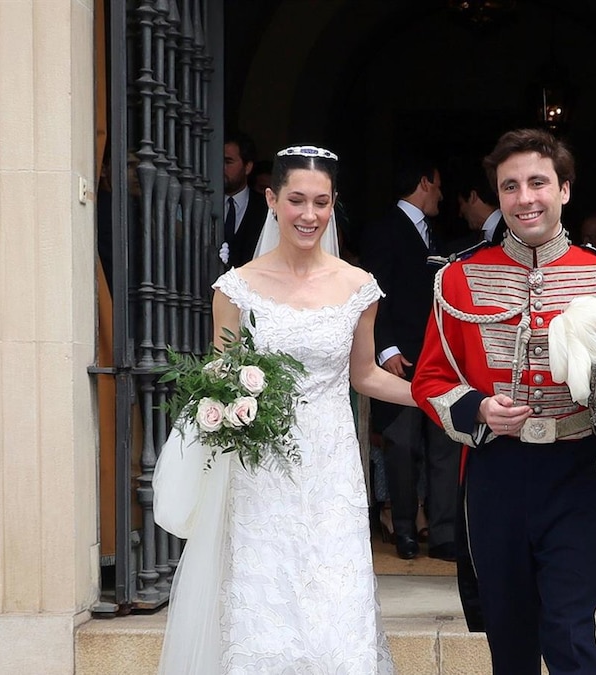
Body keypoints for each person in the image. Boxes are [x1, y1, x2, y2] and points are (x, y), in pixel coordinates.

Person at [412, 129, 596, 675]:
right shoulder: (458, 279)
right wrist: (481, 410)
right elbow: (431, 379)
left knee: (574, 637)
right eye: (509, 186)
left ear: (564, 189)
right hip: (495, 474)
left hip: (576, 473)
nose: (524, 197)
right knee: (509, 643)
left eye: (537, 182)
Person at [157, 145, 412, 674]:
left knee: (332, 602)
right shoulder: (236, 288)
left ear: (334, 204)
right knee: (265, 600)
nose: (309, 215)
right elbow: (221, 374)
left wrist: (439, 397)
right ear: (272, 199)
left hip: (331, 468)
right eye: (296, 200)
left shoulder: (358, 287)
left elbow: (363, 375)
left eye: (321, 202)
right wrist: (226, 406)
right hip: (261, 467)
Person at [359, 156, 461, 562]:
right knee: (401, 447)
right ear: (424, 181)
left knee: (445, 444)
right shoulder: (382, 230)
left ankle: (443, 534)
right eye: (437, 186)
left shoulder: (435, 235)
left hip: (441, 358)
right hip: (398, 359)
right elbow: (371, 292)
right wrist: (385, 348)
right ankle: (403, 530)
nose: (441, 194)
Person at [220, 131, 268, 268]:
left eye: (228, 162)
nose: (221, 168)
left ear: (248, 167)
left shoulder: (266, 209)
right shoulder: (201, 202)